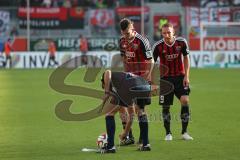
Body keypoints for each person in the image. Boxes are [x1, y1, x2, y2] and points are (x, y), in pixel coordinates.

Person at [152, 23, 193, 141]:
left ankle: (184, 132)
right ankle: (168, 133)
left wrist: (186, 76)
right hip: (165, 80)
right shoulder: (158, 46)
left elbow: (186, 58)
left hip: (180, 78)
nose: (166, 35)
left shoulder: (181, 42)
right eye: (164, 33)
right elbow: (152, 64)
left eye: (169, 32)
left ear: (173, 32)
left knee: (185, 100)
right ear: (161, 33)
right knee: (166, 106)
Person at [118, 18, 154, 146]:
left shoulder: (142, 41)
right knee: (122, 107)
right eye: (123, 33)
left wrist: (147, 76)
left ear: (132, 28)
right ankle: (129, 136)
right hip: (129, 79)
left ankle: (144, 139)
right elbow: (124, 59)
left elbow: (151, 60)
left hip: (142, 79)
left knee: (140, 109)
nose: (125, 36)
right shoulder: (122, 41)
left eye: (127, 33)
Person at [100, 70, 151, 153]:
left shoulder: (108, 76)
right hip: (145, 85)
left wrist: (106, 92)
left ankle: (110, 147)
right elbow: (132, 115)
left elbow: (107, 72)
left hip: (131, 86)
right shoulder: (121, 81)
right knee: (141, 112)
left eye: (103, 85)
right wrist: (125, 133)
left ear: (103, 82)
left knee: (109, 114)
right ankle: (146, 145)